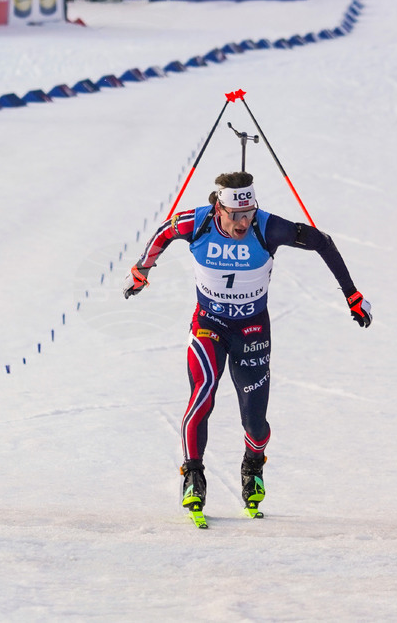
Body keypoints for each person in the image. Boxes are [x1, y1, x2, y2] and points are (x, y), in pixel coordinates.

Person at [122, 171, 372, 523]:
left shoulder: (267, 228)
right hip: (209, 324)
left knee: (255, 423)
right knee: (203, 393)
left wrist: (352, 295)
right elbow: (164, 232)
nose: (243, 222)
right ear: (218, 208)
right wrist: (141, 270)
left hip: (253, 331)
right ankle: (193, 474)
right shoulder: (197, 222)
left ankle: (253, 463)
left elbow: (323, 242)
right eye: (235, 215)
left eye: (248, 213)